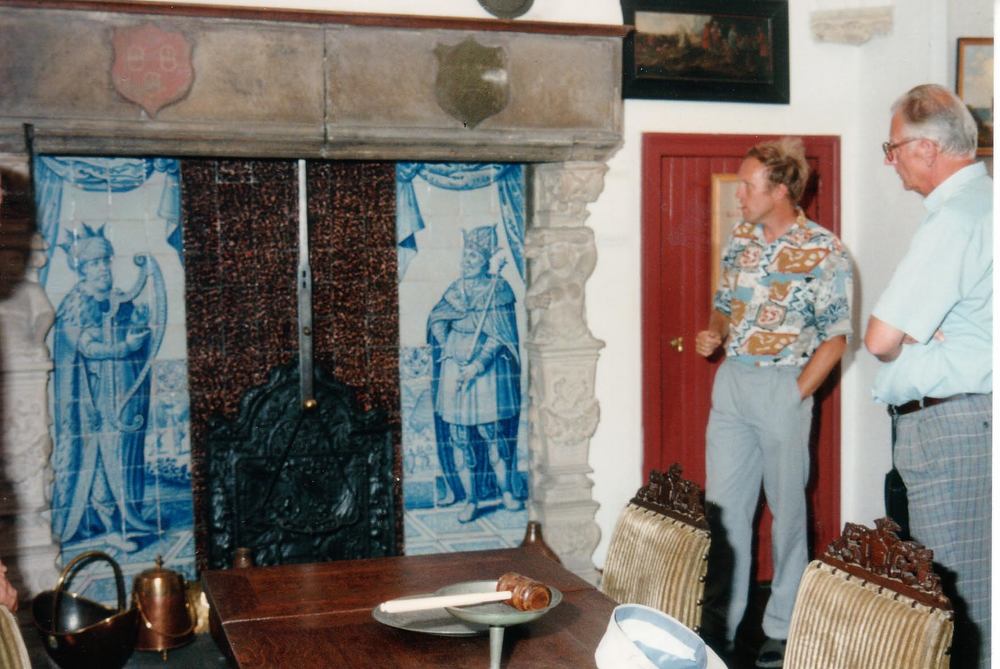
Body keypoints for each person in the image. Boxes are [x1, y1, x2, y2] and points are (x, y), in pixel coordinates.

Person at [696, 137, 852, 668]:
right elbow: (723, 304)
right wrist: (715, 332)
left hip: (784, 385)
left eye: (747, 185)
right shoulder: (741, 239)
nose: (738, 194)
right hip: (733, 386)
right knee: (724, 512)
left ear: (781, 189)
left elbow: (836, 339)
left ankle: (783, 628)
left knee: (787, 513)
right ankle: (720, 626)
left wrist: (795, 393)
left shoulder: (825, 250)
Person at [864, 83, 991, 669]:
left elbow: (880, 338)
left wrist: (909, 335)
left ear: (926, 148)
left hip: (950, 428)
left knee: (954, 603)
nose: (890, 162)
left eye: (892, 148)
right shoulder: (986, 203)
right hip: (970, 420)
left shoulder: (954, 219)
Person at [51, 224, 158, 552]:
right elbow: (86, 347)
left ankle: (126, 518)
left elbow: (132, 331)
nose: (103, 269)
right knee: (96, 456)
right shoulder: (75, 303)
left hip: (119, 395)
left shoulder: (118, 297)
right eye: (95, 263)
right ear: (82, 268)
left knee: (119, 454)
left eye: (105, 262)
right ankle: (110, 526)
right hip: (90, 401)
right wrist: (125, 346)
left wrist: (138, 327)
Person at [427, 225, 522, 523]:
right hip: (454, 366)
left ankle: (506, 492)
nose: (466, 261)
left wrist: (476, 365)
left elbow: (500, 336)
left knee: (492, 433)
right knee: (458, 436)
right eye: (465, 255)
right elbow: (437, 318)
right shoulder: (456, 289)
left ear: (486, 261)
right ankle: (471, 499)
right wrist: (447, 346)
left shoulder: (499, 289)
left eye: (473, 256)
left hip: (486, 371)